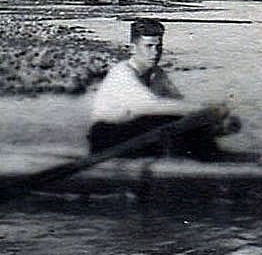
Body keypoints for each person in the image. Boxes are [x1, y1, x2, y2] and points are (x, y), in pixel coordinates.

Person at [87, 17, 239, 160]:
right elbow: (147, 105)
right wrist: (204, 110)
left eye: (159, 46)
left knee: (183, 121)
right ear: (132, 48)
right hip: (107, 137)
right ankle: (208, 162)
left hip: (135, 135)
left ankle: (211, 158)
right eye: (149, 46)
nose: (155, 52)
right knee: (166, 120)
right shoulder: (122, 73)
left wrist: (214, 123)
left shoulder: (157, 74)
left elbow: (178, 103)